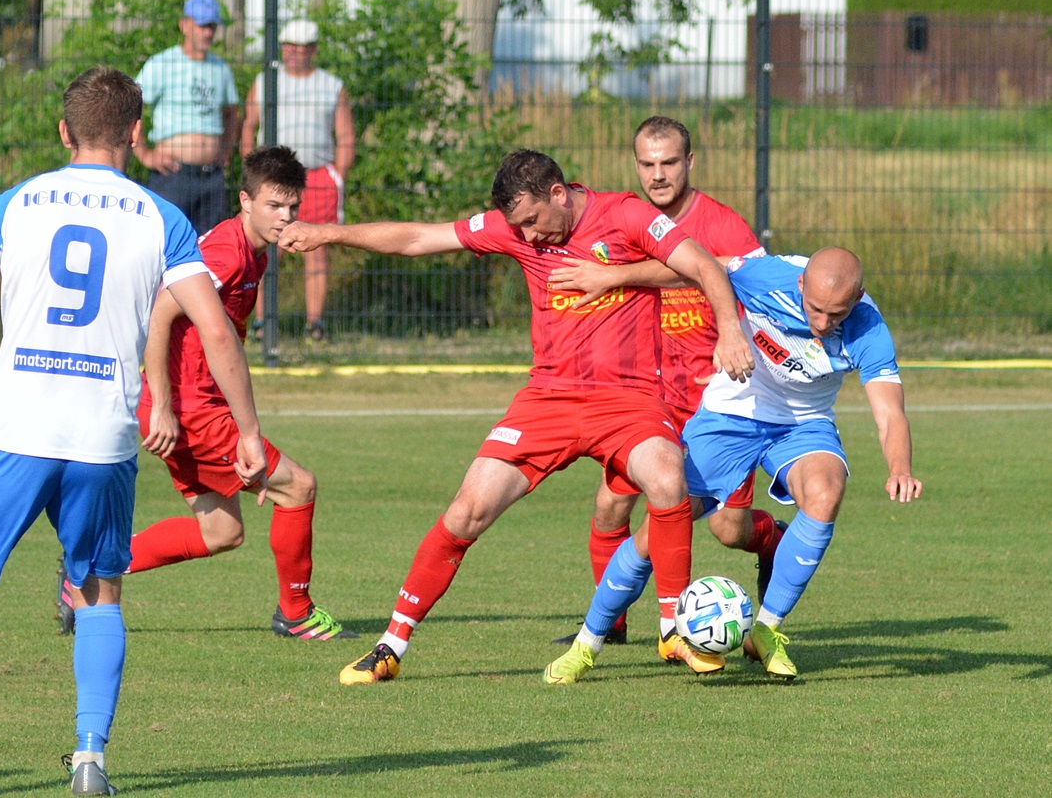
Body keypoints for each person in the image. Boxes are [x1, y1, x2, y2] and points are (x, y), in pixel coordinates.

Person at [0, 66, 266, 798]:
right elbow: (216, 330)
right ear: (135, 133)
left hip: (14, 430)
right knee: (98, 594)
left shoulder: (16, 204)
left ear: (64, 133)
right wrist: (247, 430)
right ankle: (90, 757)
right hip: (102, 437)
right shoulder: (161, 218)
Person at [279, 149, 756, 685]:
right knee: (467, 511)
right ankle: (391, 645)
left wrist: (727, 329)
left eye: (532, 221)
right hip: (548, 397)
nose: (527, 237)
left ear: (558, 193)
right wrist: (327, 234)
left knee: (668, 478)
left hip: (627, 399)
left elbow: (701, 264)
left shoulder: (625, 215)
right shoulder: (516, 231)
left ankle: (672, 629)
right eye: (517, 226)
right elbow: (418, 238)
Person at [543, 247, 922, 684]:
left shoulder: (869, 328)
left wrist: (900, 467)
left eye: (836, 314)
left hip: (803, 425)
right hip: (730, 416)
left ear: (856, 300)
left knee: (825, 493)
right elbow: (696, 268)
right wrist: (616, 277)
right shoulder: (766, 276)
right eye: (815, 309)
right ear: (801, 285)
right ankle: (586, 645)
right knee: (655, 534)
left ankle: (766, 630)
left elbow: (890, 413)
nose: (822, 323)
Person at [56, 145, 356, 641]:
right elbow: (160, 313)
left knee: (222, 533)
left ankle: (83, 572)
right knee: (298, 487)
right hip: (188, 406)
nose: (286, 218)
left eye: (293, 207)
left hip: (190, 402)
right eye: (274, 206)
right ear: (245, 200)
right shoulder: (225, 253)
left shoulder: (252, 252)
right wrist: (168, 408)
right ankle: (296, 613)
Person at [545, 116, 785, 649]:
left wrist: (734, 336)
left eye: (669, 163)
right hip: (649, 398)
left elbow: (755, 292)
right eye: (647, 164)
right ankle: (612, 624)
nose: (658, 175)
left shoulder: (725, 227)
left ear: (690, 162)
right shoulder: (624, 220)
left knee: (727, 529)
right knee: (610, 506)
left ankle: (769, 542)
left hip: (716, 400)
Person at [240, 18, 356, 342]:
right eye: (289, 47)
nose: (294, 53)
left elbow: (345, 134)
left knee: (316, 250)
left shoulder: (331, 85)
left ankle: (314, 323)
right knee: (262, 247)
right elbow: (249, 125)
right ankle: (262, 322)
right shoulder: (265, 82)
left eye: (302, 48)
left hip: (317, 176)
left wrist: (338, 177)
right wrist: (254, 170)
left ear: (313, 50)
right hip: (272, 176)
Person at [133, 0, 240, 235]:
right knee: (165, 246)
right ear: (185, 25)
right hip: (173, 175)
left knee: (211, 251)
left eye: (212, 26)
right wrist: (144, 154)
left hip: (211, 177)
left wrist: (225, 150)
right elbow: (131, 106)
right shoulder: (163, 63)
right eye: (202, 26)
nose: (208, 33)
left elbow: (232, 112)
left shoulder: (220, 68)